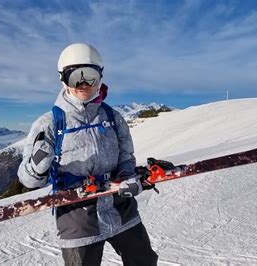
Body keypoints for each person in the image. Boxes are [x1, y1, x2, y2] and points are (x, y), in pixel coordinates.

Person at [17, 43, 158, 266]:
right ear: (63, 78)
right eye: (75, 77)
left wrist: (128, 177)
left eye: (89, 76)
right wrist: (36, 165)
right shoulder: (49, 124)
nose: (83, 84)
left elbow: (126, 157)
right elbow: (29, 181)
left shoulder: (113, 117)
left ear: (100, 77)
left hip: (120, 206)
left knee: (144, 260)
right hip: (77, 217)